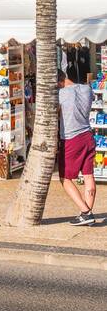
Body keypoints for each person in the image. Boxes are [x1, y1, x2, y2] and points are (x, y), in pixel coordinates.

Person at [57, 65, 97, 225]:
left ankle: (86, 212)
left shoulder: (61, 94)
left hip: (71, 139)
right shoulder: (87, 89)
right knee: (88, 175)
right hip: (88, 135)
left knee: (65, 178)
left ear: (57, 81)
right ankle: (86, 214)